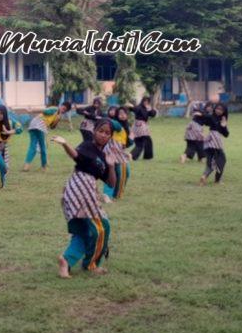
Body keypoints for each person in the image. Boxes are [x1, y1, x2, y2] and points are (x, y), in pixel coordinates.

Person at [51, 120, 117, 278]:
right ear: (94, 131)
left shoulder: (103, 156)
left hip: (85, 189)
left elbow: (111, 182)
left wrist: (112, 165)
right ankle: (91, 265)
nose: (103, 135)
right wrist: (65, 144)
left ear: (110, 137)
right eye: (101, 131)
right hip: (81, 187)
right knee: (102, 227)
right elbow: (76, 155)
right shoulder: (88, 145)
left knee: (85, 232)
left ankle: (65, 261)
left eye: (107, 133)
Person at [23, 101, 72, 171]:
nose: (63, 110)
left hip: (34, 125)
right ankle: (44, 166)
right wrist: (31, 110)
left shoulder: (58, 115)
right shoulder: (55, 109)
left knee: (33, 146)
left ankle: (26, 166)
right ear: (61, 105)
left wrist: (57, 120)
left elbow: (52, 127)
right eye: (63, 108)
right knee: (43, 147)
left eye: (65, 110)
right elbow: (44, 111)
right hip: (39, 124)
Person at [193, 103, 229, 185]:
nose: (219, 111)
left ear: (224, 111)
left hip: (208, 143)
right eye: (217, 109)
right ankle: (217, 180)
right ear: (215, 109)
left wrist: (224, 125)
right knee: (221, 160)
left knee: (211, 163)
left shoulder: (220, 119)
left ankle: (204, 176)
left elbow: (226, 134)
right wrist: (200, 113)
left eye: (221, 110)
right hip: (214, 143)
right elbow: (205, 117)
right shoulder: (212, 117)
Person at [128, 96, 158, 161]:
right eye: (145, 101)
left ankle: (134, 156)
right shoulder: (139, 107)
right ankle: (133, 155)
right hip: (140, 127)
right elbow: (134, 109)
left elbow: (153, 114)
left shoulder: (146, 108)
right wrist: (130, 106)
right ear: (142, 101)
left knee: (143, 142)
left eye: (147, 101)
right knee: (142, 143)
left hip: (138, 127)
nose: (146, 102)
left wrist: (150, 109)